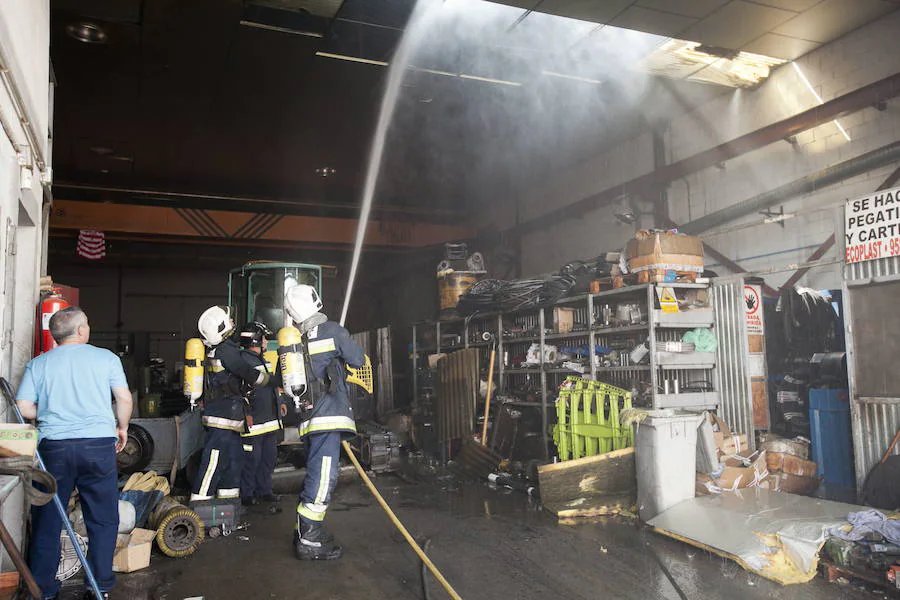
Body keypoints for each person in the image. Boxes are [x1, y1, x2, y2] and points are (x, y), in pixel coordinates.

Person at [16, 307, 133, 600]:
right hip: (98, 446)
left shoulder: (38, 364)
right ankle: (99, 585)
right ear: (80, 331)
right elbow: (123, 398)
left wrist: (55, 410)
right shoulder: (106, 358)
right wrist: (122, 427)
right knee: (103, 518)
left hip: (53, 448)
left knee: (47, 518)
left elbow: (23, 407)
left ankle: (42, 589)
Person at [283, 284, 365, 561]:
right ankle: (310, 539)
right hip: (329, 417)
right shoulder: (333, 331)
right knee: (323, 477)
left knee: (316, 473)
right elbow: (358, 359)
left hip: (309, 420)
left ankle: (303, 530)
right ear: (316, 301)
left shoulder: (294, 342)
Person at [191, 306, 275, 504]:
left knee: (234, 462)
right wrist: (273, 381)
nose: (232, 322)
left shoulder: (223, 348)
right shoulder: (225, 350)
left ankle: (227, 508)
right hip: (222, 417)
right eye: (228, 320)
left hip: (231, 419)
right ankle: (199, 504)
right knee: (214, 462)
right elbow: (245, 372)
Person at [237, 321, 287, 507]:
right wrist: (246, 413)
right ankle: (247, 495)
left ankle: (265, 491)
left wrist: (280, 402)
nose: (266, 341)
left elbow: (271, 384)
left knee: (268, 458)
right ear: (255, 340)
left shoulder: (262, 360)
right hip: (254, 421)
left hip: (270, 420)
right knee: (251, 460)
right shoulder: (243, 361)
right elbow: (239, 391)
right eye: (264, 338)